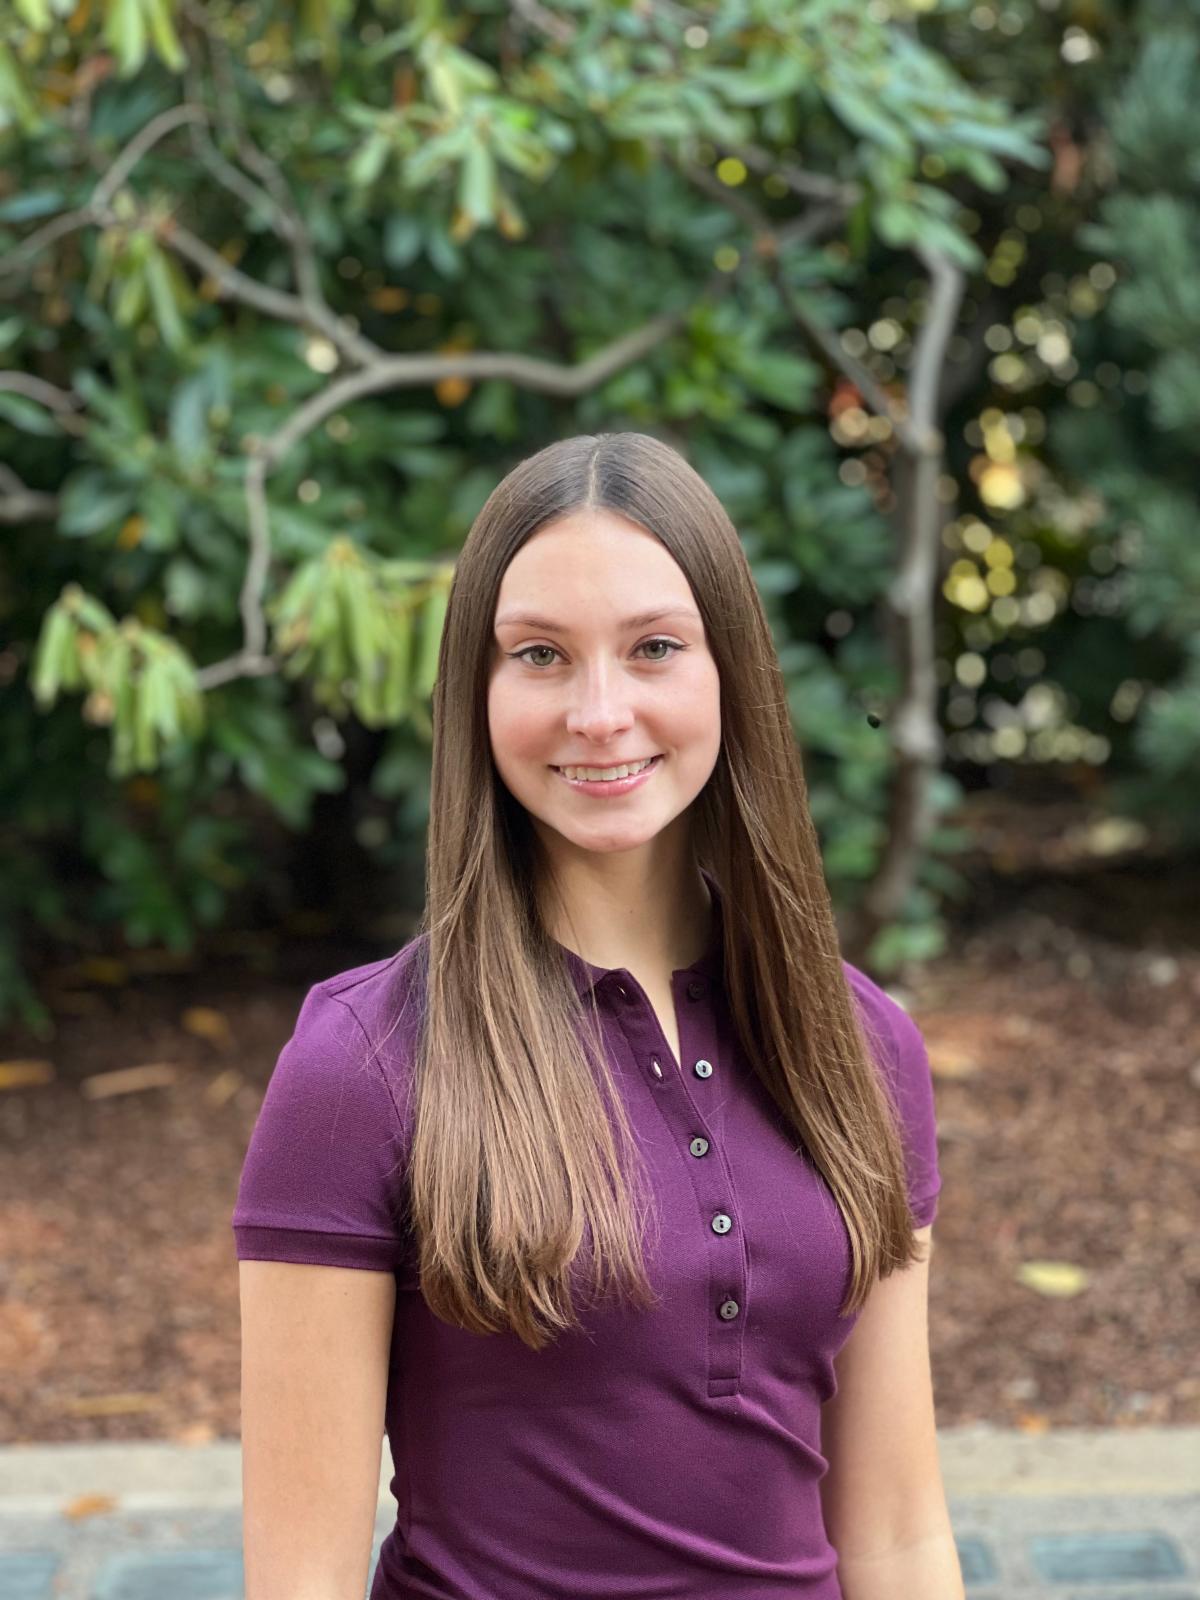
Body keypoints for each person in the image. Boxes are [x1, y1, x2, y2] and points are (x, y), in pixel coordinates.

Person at [232, 431, 962, 1600]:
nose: (600, 711)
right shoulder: (362, 1065)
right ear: (479, 691)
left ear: (730, 672)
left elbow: (898, 1532)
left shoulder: (861, 1044)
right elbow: (298, 1582)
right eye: (541, 655)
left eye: (654, 647)